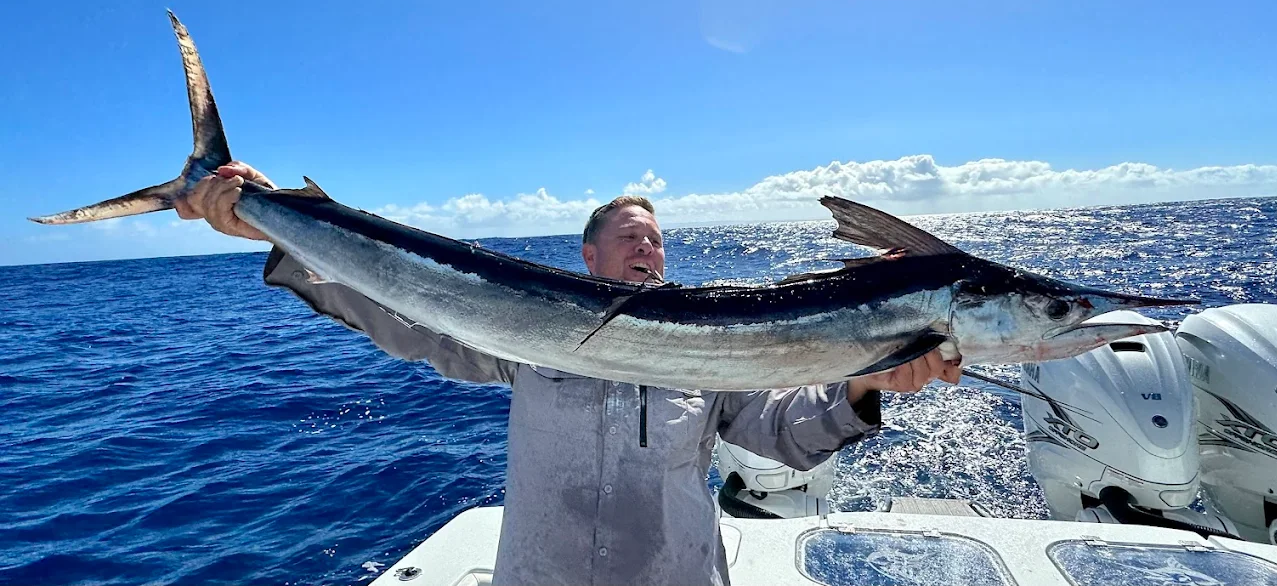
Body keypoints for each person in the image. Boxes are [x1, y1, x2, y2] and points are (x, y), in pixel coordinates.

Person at [177, 162, 962, 586]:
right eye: (628, 238)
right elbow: (408, 321)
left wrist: (864, 385)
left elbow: (781, 432)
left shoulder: (720, 346)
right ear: (589, 257)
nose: (646, 249)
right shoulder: (525, 331)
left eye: (655, 240)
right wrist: (267, 225)